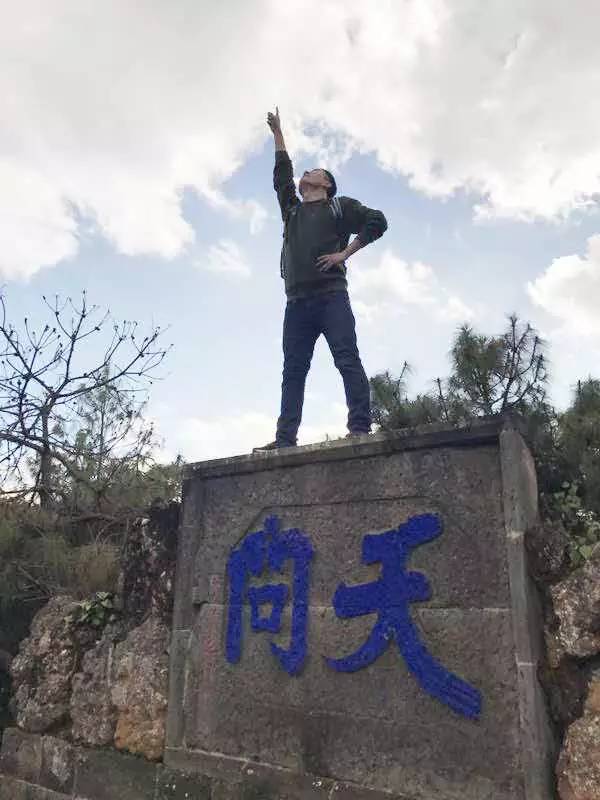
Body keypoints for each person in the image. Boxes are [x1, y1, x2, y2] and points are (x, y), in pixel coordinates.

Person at [254, 107, 387, 452]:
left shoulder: (339, 207)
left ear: (326, 183)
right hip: (296, 304)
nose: (305, 174)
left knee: (347, 358)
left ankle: (360, 428)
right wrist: (278, 133)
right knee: (293, 371)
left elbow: (377, 221)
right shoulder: (292, 211)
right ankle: (285, 440)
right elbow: (282, 177)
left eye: (312, 171)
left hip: (331, 297)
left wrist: (345, 253)